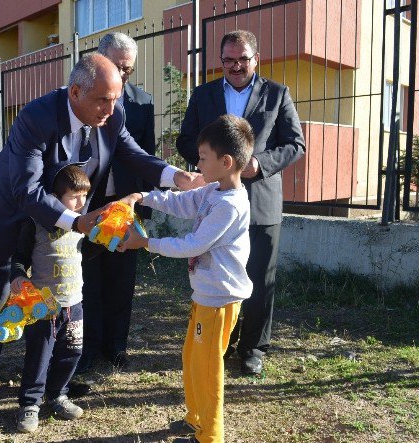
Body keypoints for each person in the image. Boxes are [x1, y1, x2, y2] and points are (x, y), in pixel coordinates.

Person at [0, 52, 204, 417]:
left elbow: (133, 155)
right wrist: (76, 222)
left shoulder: (113, 114)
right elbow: (27, 191)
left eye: (116, 97)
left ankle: (52, 381)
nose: (111, 107)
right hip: (11, 220)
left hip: (60, 228)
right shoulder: (35, 117)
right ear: (75, 92)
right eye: (102, 99)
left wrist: (176, 177)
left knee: (59, 298)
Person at [119, 114, 255, 443]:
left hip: (219, 301)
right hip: (205, 295)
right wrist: (143, 196)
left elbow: (193, 244)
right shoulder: (212, 190)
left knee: (207, 370)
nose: (197, 162)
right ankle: (196, 419)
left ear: (226, 162)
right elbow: (181, 202)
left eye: (203, 157)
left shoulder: (230, 206)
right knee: (192, 360)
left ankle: (209, 436)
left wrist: (146, 242)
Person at [176, 30, 305, 376]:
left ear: (255, 59)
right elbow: (185, 139)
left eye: (243, 59)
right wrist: (212, 163)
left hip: (261, 202)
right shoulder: (203, 95)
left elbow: (295, 144)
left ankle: (253, 348)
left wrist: (259, 164)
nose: (236, 66)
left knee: (260, 278)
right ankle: (222, 342)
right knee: (219, 275)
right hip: (215, 201)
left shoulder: (277, 94)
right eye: (229, 60)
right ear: (221, 61)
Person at [78, 32, 156, 373]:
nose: (123, 75)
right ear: (99, 59)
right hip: (89, 204)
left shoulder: (143, 103)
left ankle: (116, 347)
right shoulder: (80, 96)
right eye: (117, 66)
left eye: (129, 69)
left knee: (122, 280)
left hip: (126, 204)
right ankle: (88, 347)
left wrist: (146, 207)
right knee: (88, 279)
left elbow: (147, 157)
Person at [11, 162, 90, 433]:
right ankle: (30, 404)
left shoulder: (84, 224)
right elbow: (19, 258)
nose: (80, 202)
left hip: (74, 303)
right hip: (43, 303)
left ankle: (57, 395)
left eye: (84, 196)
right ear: (56, 199)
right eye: (74, 196)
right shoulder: (36, 223)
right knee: (39, 354)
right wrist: (18, 277)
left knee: (72, 351)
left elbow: (91, 253)